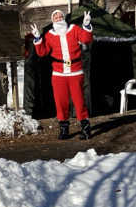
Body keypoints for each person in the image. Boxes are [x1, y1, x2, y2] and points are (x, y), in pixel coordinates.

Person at [31, 9, 93, 139]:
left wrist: (86, 25)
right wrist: (37, 38)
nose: (58, 18)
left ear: (64, 18)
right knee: (61, 102)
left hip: (75, 72)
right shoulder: (49, 35)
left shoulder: (74, 29)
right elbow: (42, 52)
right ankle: (64, 129)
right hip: (59, 74)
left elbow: (86, 39)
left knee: (79, 101)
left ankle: (86, 128)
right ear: (52, 20)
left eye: (60, 16)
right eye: (56, 17)